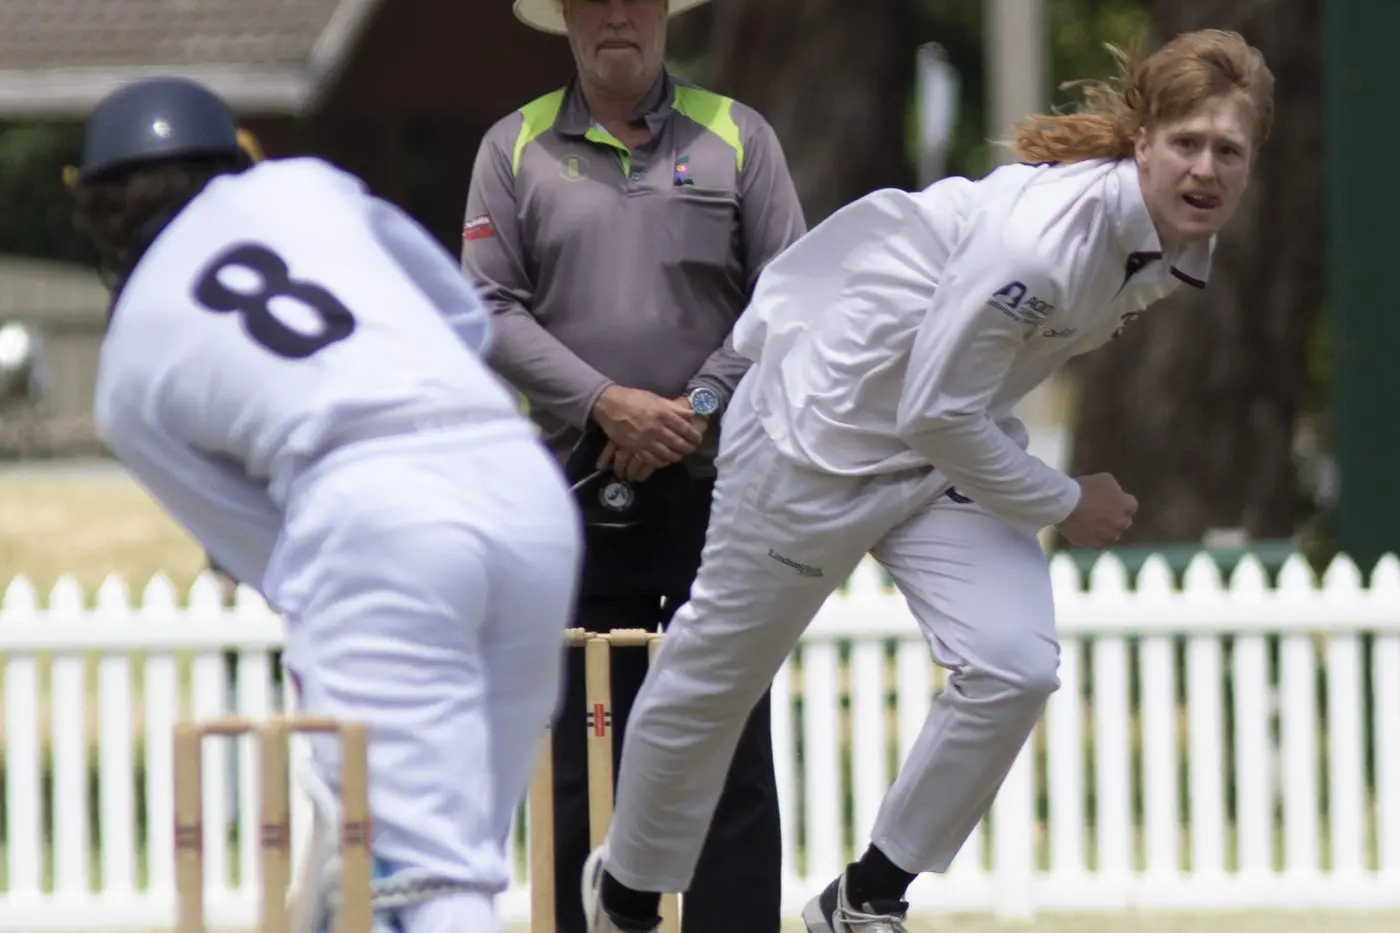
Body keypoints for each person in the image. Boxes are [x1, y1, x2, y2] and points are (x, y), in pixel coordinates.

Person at [580, 28, 1275, 933]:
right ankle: (626, 897)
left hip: (942, 441)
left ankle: (864, 896)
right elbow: (933, 410)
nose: (1207, 169)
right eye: (1188, 144)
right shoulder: (1042, 245)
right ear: (1143, 142)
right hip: (814, 435)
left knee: (1016, 665)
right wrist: (1069, 501)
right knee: (718, 672)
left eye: (1230, 151)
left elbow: (948, 411)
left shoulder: (1172, 244)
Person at [67, 75, 583, 933]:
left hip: (367, 506)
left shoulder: (126, 375)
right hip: (517, 473)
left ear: (96, 211)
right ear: (234, 156)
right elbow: (462, 318)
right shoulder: (301, 184)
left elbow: (265, 551)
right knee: (449, 862)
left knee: (426, 876)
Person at [461, 1, 806, 931]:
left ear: (661, 14)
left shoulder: (740, 136)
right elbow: (488, 309)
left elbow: (795, 299)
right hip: (572, 490)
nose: (617, 14)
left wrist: (692, 409)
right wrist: (606, 403)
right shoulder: (514, 145)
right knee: (581, 746)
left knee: (729, 740)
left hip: (721, 491)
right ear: (567, 19)